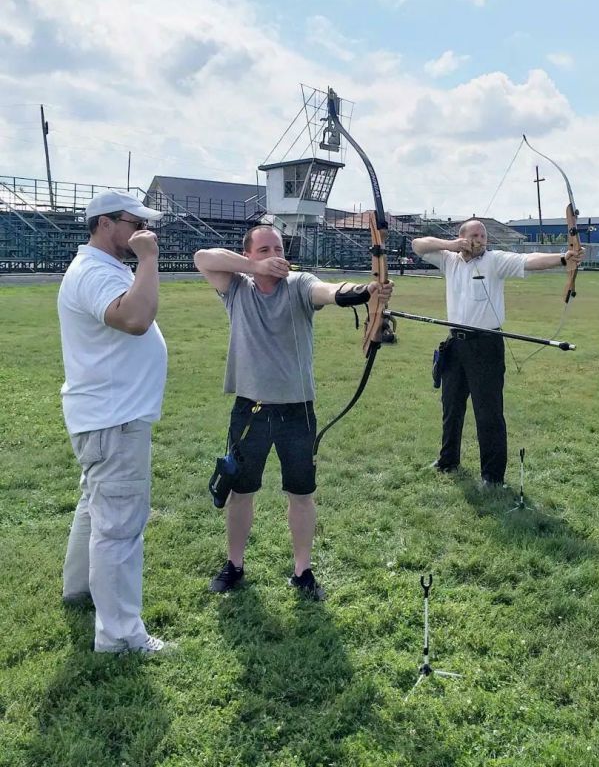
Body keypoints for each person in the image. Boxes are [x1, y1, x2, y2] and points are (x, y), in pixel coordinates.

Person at [194, 225, 393, 596]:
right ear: (248, 255)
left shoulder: (299, 284)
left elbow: (330, 292)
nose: (275, 255)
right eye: (264, 250)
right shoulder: (236, 287)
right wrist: (256, 269)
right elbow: (202, 258)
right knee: (241, 491)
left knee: (301, 494)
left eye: (279, 249)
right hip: (250, 410)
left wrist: (364, 291)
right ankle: (234, 565)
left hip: (296, 412)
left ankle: (303, 571)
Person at [58, 189, 172, 654]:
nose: (145, 231)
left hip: (108, 415)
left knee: (97, 505)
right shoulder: (93, 271)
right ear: (105, 224)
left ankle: (78, 588)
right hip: (114, 419)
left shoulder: (103, 267)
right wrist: (149, 259)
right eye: (135, 223)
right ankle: (120, 636)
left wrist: (140, 260)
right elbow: (136, 318)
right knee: (120, 526)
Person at [411, 218, 584, 487]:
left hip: (486, 345)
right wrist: (452, 245)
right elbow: (417, 244)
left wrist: (563, 258)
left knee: (488, 411)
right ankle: (448, 460)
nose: (480, 240)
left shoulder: (494, 261)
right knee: (451, 405)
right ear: (462, 237)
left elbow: (528, 260)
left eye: (483, 236)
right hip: (455, 343)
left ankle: (492, 476)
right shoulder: (449, 259)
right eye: (474, 235)